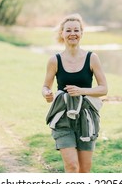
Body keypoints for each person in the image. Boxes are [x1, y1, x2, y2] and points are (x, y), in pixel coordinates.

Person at [42, 13, 108, 173]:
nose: (73, 34)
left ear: (81, 33)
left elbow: (104, 89)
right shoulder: (54, 60)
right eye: (68, 30)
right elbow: (45, 86)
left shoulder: (92, 58)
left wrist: (81, 91)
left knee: (84, 169)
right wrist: (47, 93)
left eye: (76, 30)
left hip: (87, 117)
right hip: (63, 118)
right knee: (72, 166)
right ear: (62, 34)